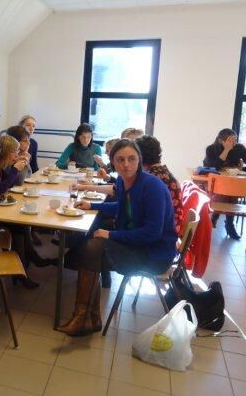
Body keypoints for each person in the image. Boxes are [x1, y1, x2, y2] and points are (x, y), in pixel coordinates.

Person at [58, 139, 177, 337]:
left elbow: (152, 233)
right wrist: (93, 205)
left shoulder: (153, 187)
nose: (126, 164)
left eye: (131, 159)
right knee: (91, 247)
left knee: (92, 248)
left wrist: (110, 234)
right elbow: (122, 207)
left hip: (154, 254)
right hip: (138, 245)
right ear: (112, 161)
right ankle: (87, 318)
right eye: (120, 159)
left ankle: (86, 318)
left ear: (139, 159)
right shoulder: (123, 181)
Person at [0, 136, 54, 289]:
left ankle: (27, 262)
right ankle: (22, 269)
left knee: (20, 224)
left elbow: (11, 184)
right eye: (14, 151)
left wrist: (17, 167)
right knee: (18, 225)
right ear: (5, 151)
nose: (16, 154)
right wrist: (15, 169)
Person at [203, 128, 246, 239]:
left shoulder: (239, 148)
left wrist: (238, 171)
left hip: (232, 186)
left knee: (231, 189)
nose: (234, 144)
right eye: (230, 141)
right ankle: (229, 224)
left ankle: (216, 217)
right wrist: (226, 150)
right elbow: (213, 168)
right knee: (226, 189)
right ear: (220, 141)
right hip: (216, 185)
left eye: (235, 140)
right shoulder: (211, 149)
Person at [135, 135, 184, 236]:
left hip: (164, 232)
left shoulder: (153, 177)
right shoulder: (161, 171)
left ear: (140, 156)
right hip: (170, 226)